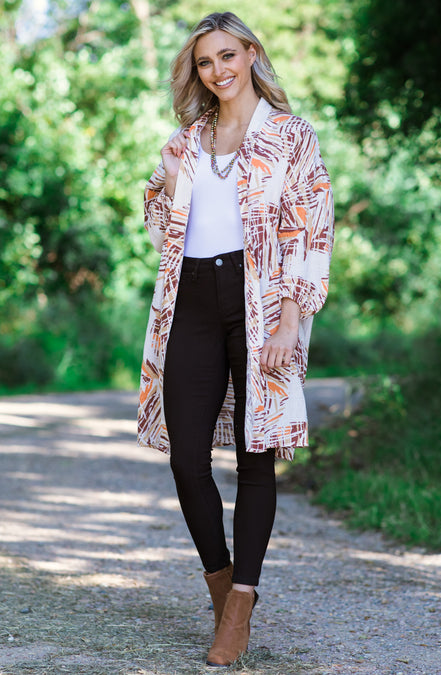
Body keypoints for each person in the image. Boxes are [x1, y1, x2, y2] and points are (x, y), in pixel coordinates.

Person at [138, 11, 334, 667]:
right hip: (191, 298)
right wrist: (164, 188)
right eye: (204, 62)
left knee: (257, 453)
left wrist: (289, 318)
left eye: (227, 55)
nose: (217, 70)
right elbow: (164, 233)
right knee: (185, 457)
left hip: (259, 303)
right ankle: (221, 587)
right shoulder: (185, 142)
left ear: (250, 54)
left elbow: (313, 231)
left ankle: (240, 605)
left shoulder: (290, 137)